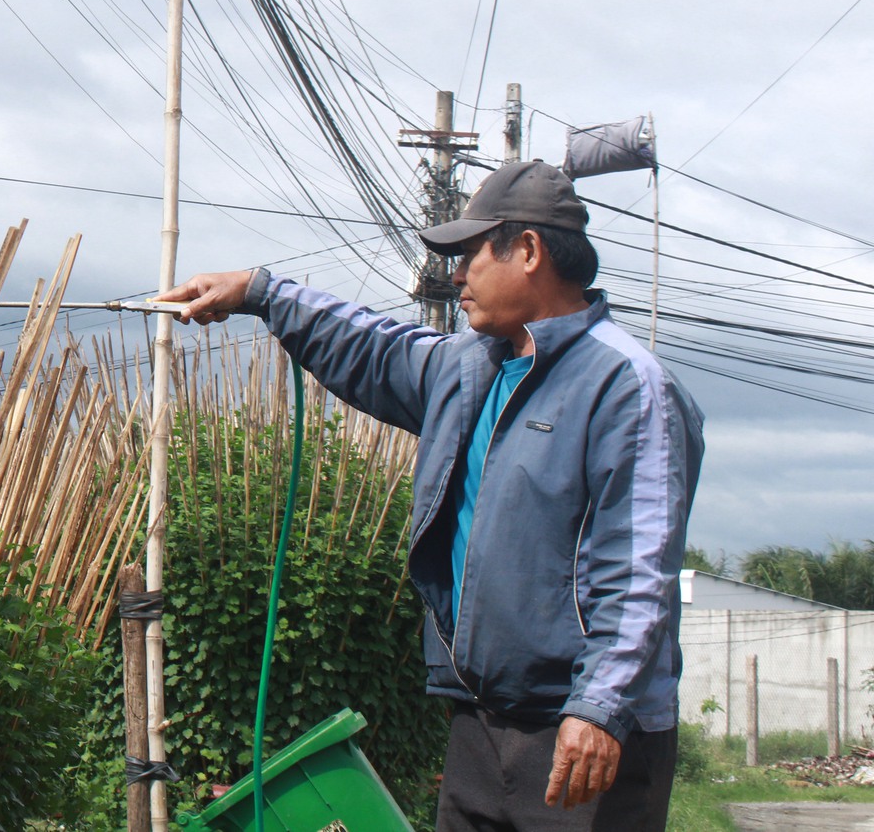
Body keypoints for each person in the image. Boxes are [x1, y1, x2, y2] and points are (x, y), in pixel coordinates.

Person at [160, 160, 704, 831]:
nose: (455, 275)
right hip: (481, 724)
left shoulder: (627, 386)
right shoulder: (469, 367)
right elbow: (371, 345)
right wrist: (260, 291)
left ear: (528, 251)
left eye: (469, 254)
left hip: (585, 736)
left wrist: (598, 707)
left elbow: (638, 568)